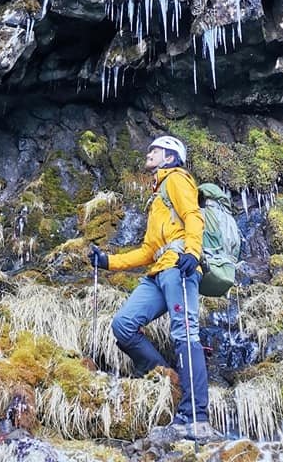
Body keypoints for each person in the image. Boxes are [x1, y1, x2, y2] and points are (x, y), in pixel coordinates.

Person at [87, 135, 221, 442]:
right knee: (123, 325)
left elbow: (193, 216)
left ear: (171, 157)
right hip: (159, 271)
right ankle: (166, 378)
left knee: (185, 334)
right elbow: (148, 251)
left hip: (180, 268)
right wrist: (108, 262)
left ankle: (195, 418)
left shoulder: (177, 179)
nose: (149, 153)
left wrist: (193, 252)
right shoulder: (157, 195)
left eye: (155, 150)